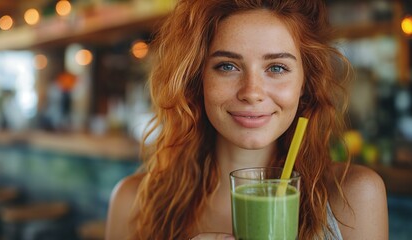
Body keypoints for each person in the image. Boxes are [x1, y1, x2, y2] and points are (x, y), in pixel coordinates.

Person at [105, 0, 389, 239]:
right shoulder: (132, 203)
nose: (252, 92)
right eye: (227, 66)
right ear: (197, 79)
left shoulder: (354, 196)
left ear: (305, 82)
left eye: (277, 67)